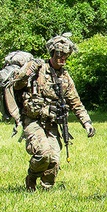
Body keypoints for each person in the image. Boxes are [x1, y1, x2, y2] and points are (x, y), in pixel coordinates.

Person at [13, 33, 96, 190]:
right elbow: (17, 84)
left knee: (54, 159)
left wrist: (87, 123)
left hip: (51, 123)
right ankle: (31, 178)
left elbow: (75, 103)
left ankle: (46, 188)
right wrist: (27, 70)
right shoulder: (38, 70)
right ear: (52, 53)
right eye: (59, 54)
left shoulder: (65, 78)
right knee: (43, 154)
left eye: (65, 54)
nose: (62, 57)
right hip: (33, 121)